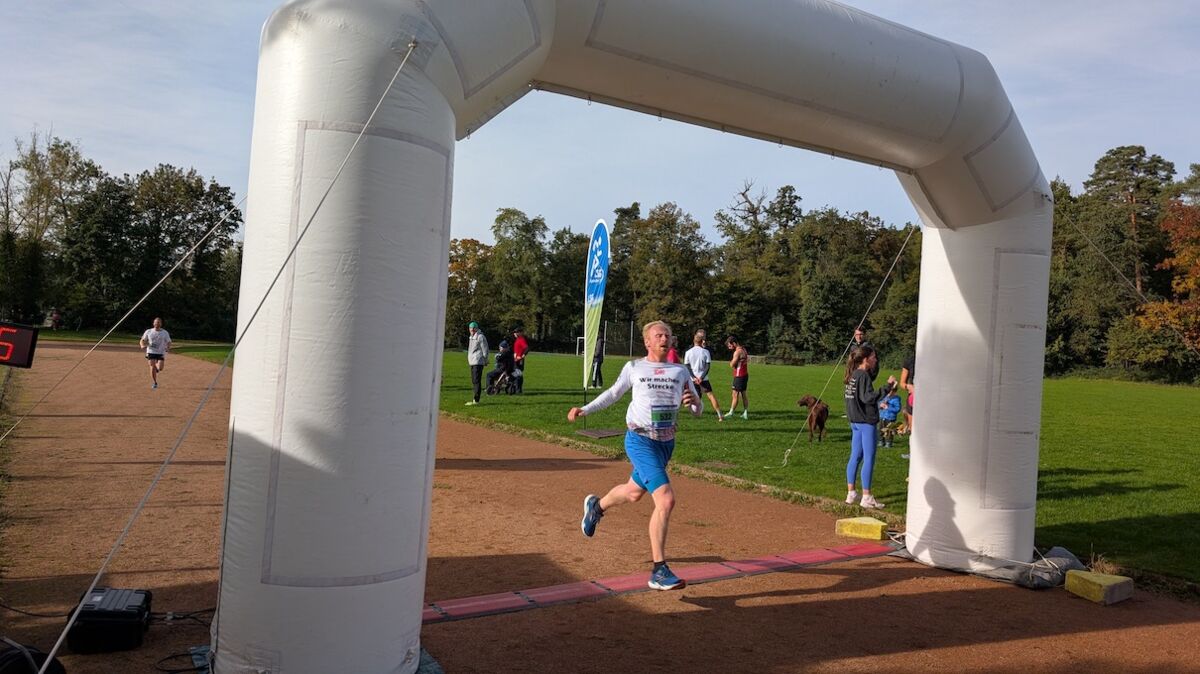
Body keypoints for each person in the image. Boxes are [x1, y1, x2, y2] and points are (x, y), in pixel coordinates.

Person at [568, 321, 702, 591]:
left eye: (667, 335)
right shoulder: (634, 368)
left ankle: (596, 507)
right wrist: (585, 409)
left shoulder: (680, 371)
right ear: (647, 342)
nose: (664, 338)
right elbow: (613, 394)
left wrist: (694, 403)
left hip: (666, 443)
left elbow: (697, 409)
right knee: (665, 499)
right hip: (640, 440)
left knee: (632, 493)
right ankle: (659, 570)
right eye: (658, 335)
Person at [843, 345, 897, 508]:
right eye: (873, 357)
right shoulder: (863, 376)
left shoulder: (853, 374)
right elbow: (867, 398)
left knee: (855, 456)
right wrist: (887, 387)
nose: (876, 359)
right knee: (869, 458)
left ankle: (851, 493)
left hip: (855, 421)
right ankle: (866, 496)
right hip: (866, 421)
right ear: (866, 359)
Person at [683, 329, 723, 421]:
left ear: (694, 341)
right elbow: (708, 366)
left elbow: (687, 366)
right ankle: (720, 415)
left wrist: (694, 377)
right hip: (704, 378)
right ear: (702, 341)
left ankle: (695, 413)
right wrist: (701, 377)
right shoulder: (705, 352)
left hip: (693, 379)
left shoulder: (688, 352)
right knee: (711, 396)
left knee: (694, 397)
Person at [139, 317, 172, 389]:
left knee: (160, 368)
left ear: (161, 324)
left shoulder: (165, 332)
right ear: (153, 323)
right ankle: (154, 382)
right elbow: (142, 340)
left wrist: (168, 347)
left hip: (161, 352)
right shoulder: (149, 331)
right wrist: (142, 345)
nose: (157, 324)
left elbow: (169, 342)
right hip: (151, 351)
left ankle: (157, 368)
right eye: (156, 322)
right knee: (152, 366)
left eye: (159, 322)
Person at [725, 335, 749, 419]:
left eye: (730, 345)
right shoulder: (744, 349)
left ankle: (731, 413)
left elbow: (732, 364)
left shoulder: (737, 352)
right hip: (745, 374)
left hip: (739, 376)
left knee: (735, 394)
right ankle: (745, 413)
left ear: (734, 343)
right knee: (743, 394)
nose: (729, 347)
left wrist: (731, 362)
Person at [466, 321, 489, 406]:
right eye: (470, 328)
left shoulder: (480, 337)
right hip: (472, 361)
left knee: (476, 380)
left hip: (478, 361)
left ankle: (476, 400)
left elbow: (485, 349)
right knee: (474, 380)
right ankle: (475, 399)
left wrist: (485, 360)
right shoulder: (471, 337)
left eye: (473, 328)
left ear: (477, 328)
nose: (472, 329)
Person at [900, 353, 916, 434]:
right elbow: (902, 383)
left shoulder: (932, 360)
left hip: (929, 399)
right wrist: (908, 386)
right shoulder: (910, 361)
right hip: (913, 398)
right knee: (913, 430)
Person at [512, 327, 529, 393]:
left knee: (518, 374)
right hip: (515, 359)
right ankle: (515, 388)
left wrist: (522, 356)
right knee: (515, 374)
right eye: (514, 332)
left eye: (516, 332)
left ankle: (518, 390)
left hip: (519, 360)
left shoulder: (521, 340)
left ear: (520, 333)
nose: (515, 333)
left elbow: (527, 348)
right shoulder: (517, 340)